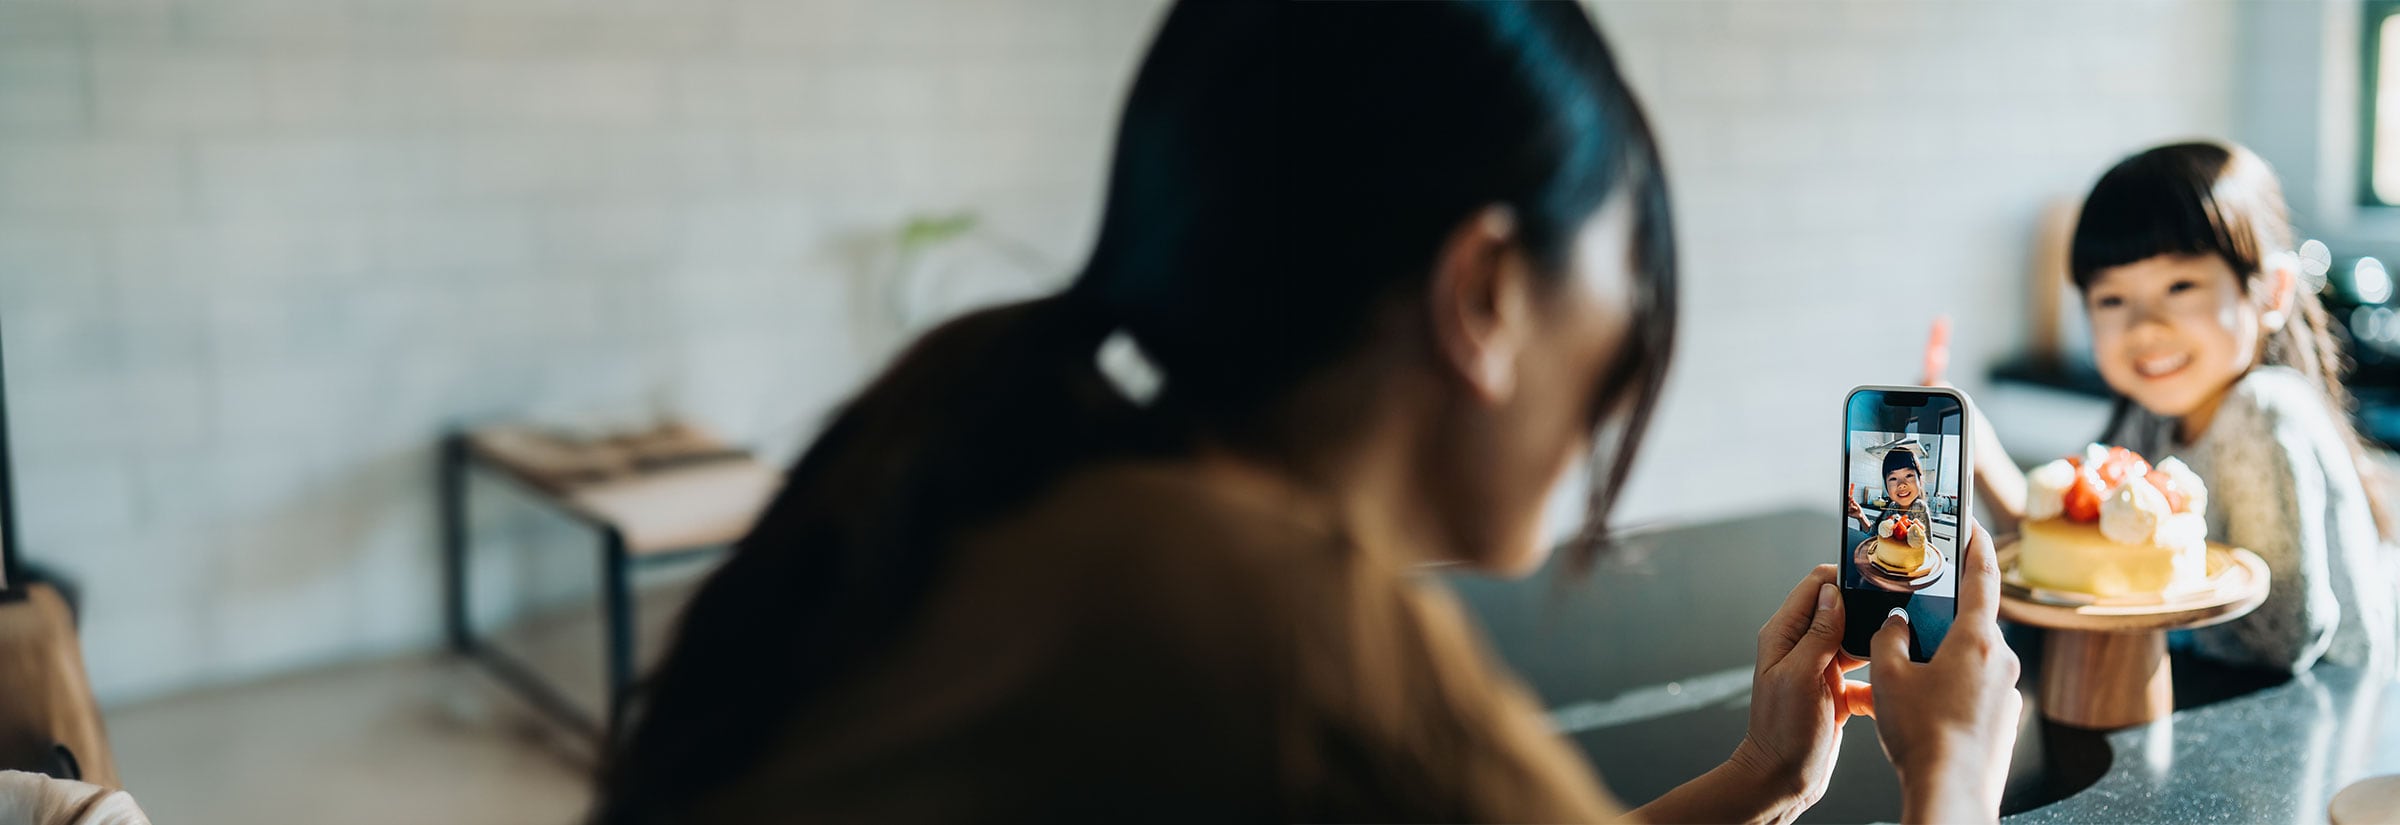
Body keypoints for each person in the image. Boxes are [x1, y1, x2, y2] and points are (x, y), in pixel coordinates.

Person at [594, 2, 2021, 822]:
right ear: (1485, 292)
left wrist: (1760, 780)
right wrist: (1949, 778)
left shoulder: (1055, 468)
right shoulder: (1273, 621)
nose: (1626, 362)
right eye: (1624, 278)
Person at [1939, 141, 2397, 674]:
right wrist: (1975, 443)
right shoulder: (2152, 412)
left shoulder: (2262, 412)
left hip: (2328, 722)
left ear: (2272, 293)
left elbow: (2283, 637)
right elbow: (2075, 560)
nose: (2144, 326)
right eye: (2112, 299)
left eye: (2180, 285)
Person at [1849, 447, 1932, 535]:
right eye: (1893, 478)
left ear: (1919, 479)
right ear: (1886, 485)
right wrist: (1861, 516)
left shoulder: (1918, 507)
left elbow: (1923, 546)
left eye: (1908, 475)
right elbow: (1878, 534)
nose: (1901, 485)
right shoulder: (1893, 506)